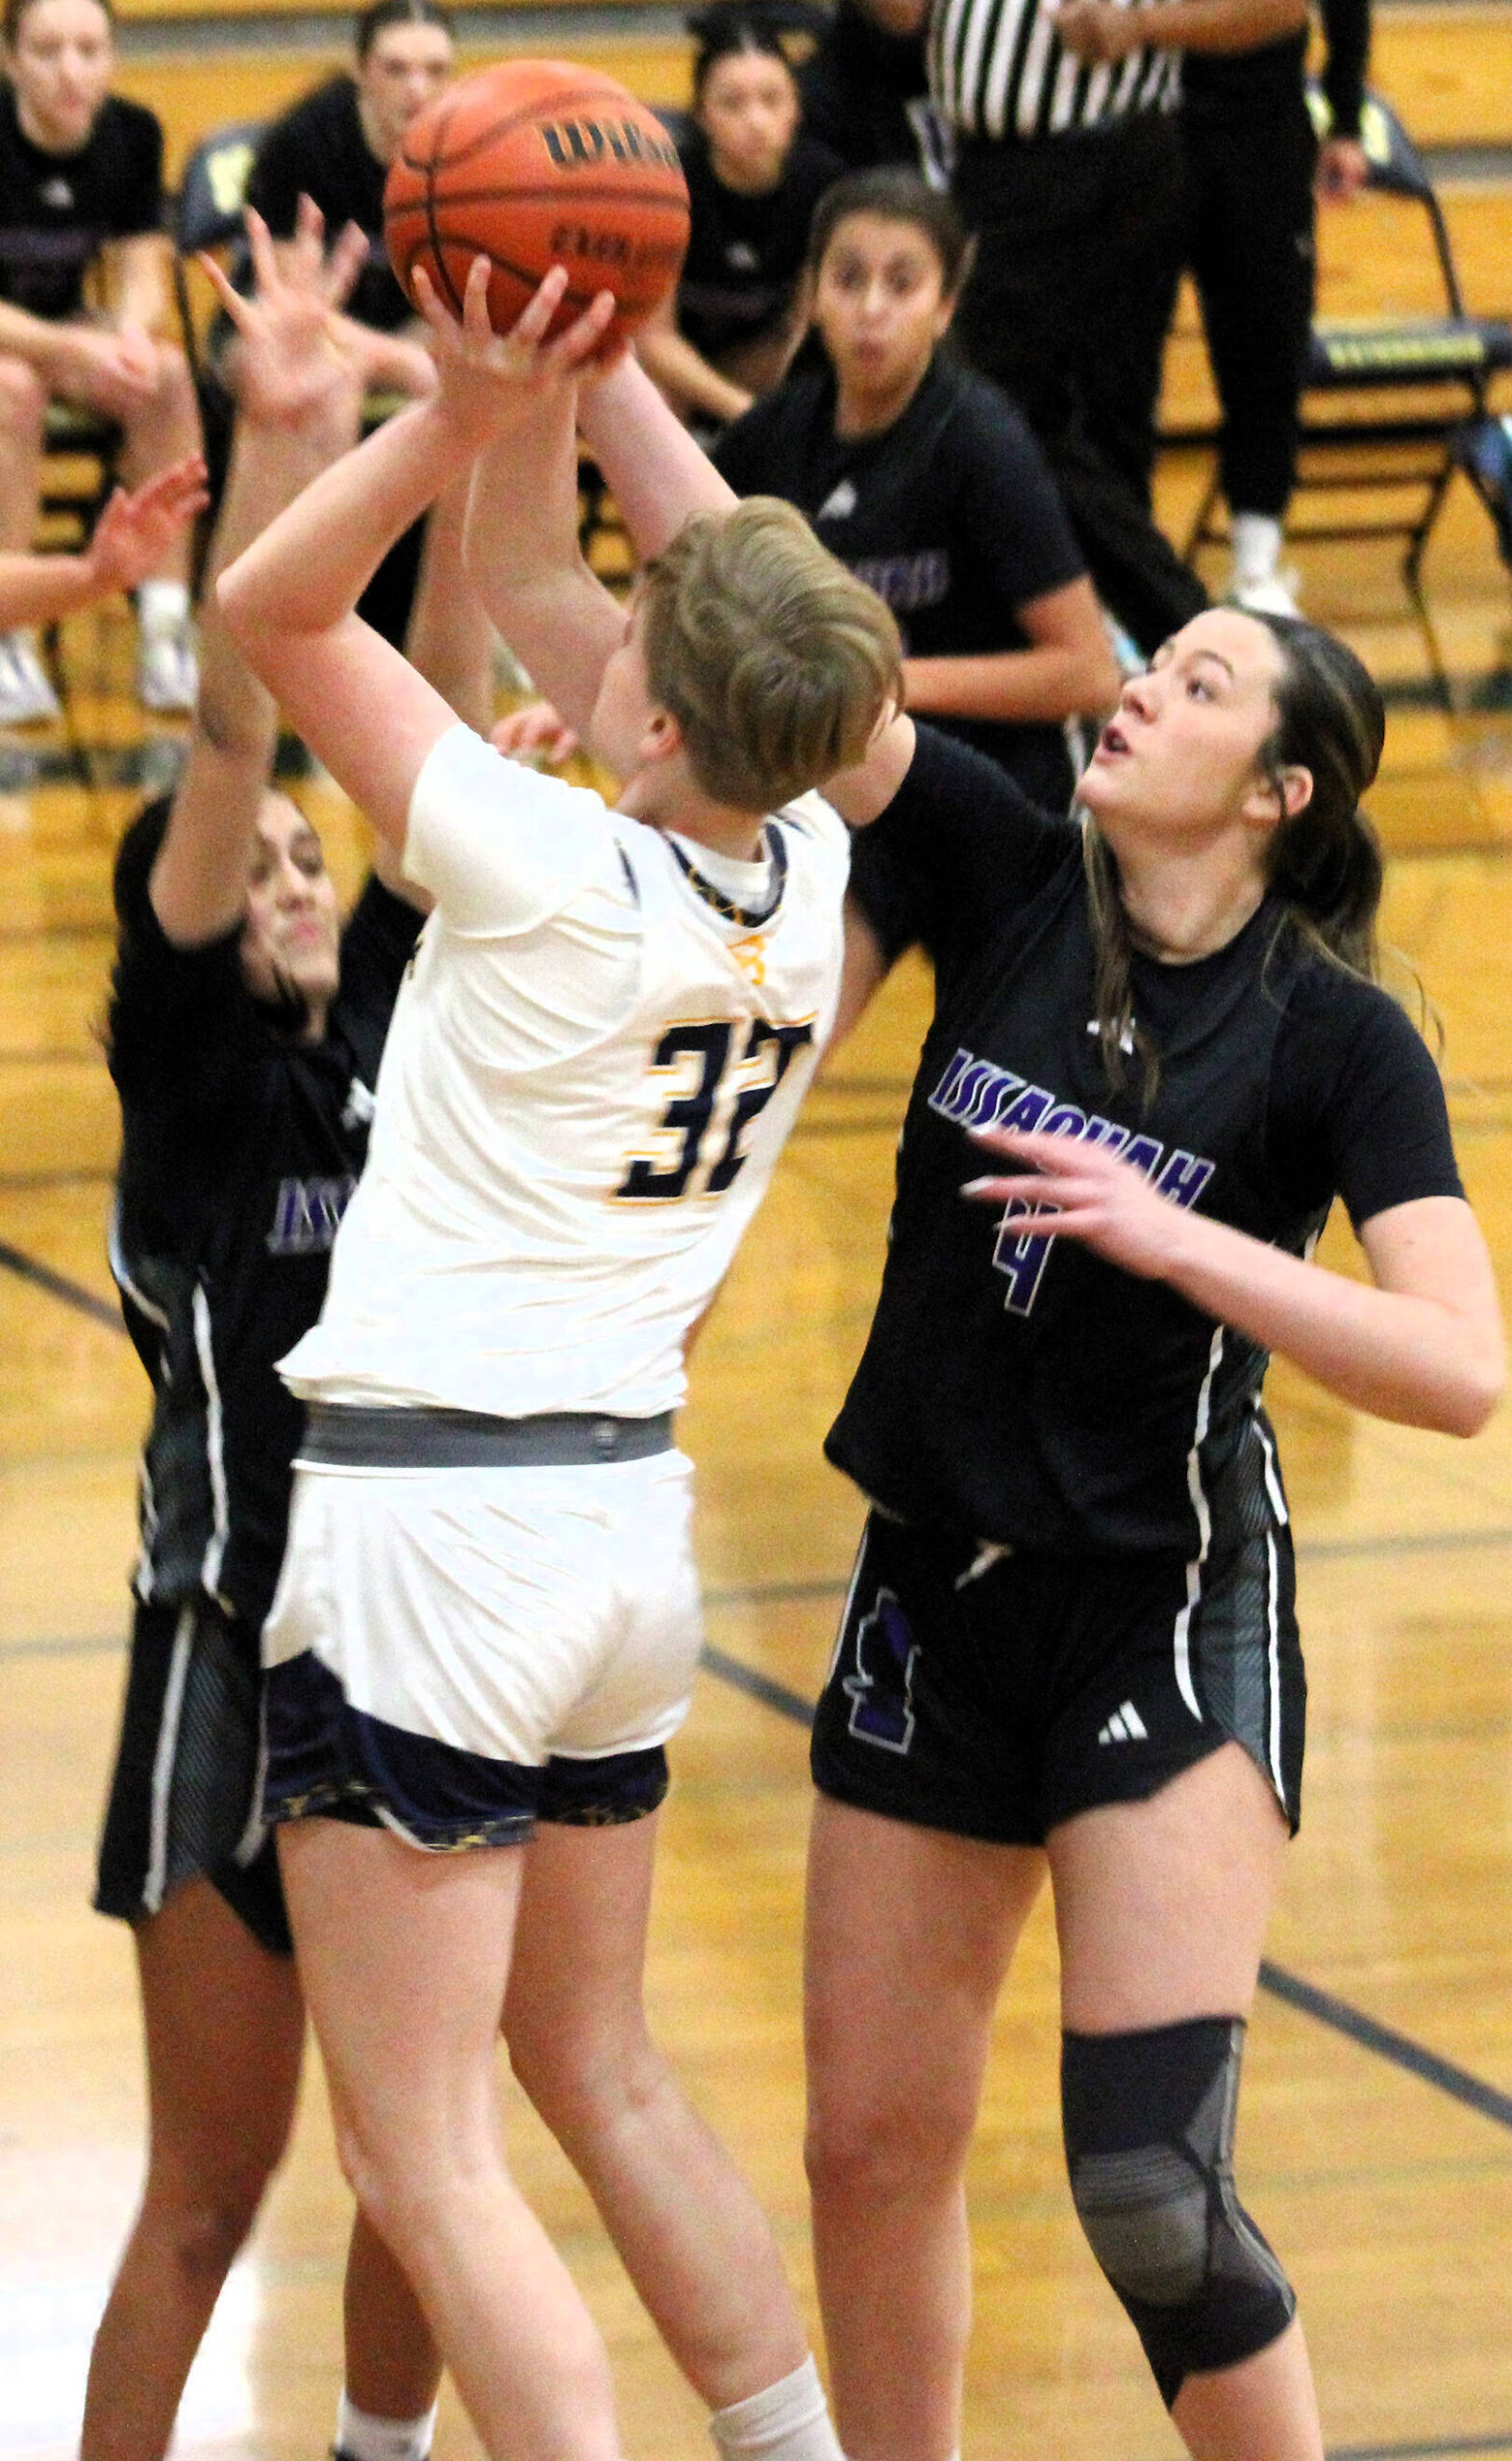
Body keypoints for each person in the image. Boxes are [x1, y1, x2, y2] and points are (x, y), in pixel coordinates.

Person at [214, 248, 901, 2461]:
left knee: (423, 2148)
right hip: (619, 1535)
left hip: (439, 1533)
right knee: (594, 2071)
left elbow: (271, 609)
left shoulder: (531, 860)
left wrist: (458, 394)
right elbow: (588, 579)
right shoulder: (802, 869)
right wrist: (582, 386)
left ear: (650, 714)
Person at [800, 606, 1503, 2459]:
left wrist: (1179, 1235)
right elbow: (789, 655)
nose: (1134, 691)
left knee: (1147, 2191)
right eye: (1150, 661)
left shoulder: (1333, 1039)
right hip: (929, 1597)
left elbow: (1456, 1371)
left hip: (1161, 1612)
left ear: (1276, 794)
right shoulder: (1000, 864)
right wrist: (575, 371)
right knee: (867, 2146)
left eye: (1194, 684)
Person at [86, 203, 470, 2461]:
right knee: (209, 2190)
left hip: (421, 1634)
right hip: (225, 1644)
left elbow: (391, 707)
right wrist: (277, 422)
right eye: (270, 876)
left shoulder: (412, 1038)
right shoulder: (195, 1076)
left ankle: (374, 2451)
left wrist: (469, 418)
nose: (303, 876)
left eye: (331, 865)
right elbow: (243, 714)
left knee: (419, 2159)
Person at [845, 0, 1311, 656]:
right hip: (984, 164)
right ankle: (1151, 637)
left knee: (991, 400)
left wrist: (1145, 23)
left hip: (1091, 156)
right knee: (1047, 419)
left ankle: (1173, 633)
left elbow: (1280, 7)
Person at [713, 166, 1118, 807]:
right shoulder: (774, 434)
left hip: (995, 791)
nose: (871, 308)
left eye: (901, 284)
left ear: (944, 305)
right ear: (812, 294)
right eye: (848, 280)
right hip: (842, 785)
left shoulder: (981, 443)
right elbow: (673, 580)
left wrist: (882, 683)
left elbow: (1089, 674)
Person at [0, 0, 205, 720]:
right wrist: (67, 345)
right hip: (17, 350)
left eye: (89, 49)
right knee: (11, 389)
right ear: (11, 59)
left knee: (166, 377)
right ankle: (8, 633)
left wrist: (129, 333)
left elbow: (144, 261)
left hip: (61, 331)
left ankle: (167, 626)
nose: (71, 71)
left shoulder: (131, 132)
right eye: (49, 51)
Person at [238, 0, 456, 651]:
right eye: (395, 69)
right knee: (327, 394)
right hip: (284, 341)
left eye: (434, 70)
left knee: (495, 393)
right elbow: (292, 319)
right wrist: (401, 360)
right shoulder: (304, 143)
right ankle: (321, 618)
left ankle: (470, 608)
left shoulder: (470, 154)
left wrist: (413, 355)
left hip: (398, 338)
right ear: (362, 72)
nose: (415, 89)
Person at [1167, 0, 1373, 612]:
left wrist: (1345, 120)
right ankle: (1111, 582)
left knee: (1267, 349)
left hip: (1265, 129)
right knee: (1121, 357)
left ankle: (1255, 566)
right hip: (1155, 124)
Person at [637, 5, 844, 428]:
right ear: (702, 113)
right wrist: (746, 415)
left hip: (766, 362)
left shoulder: (824, 186)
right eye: (732, 103)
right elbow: (655, 340)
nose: (755, 121)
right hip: (683, 373)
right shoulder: (667, 187)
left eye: (772, 100)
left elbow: (805, 329)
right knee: (651, 391)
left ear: (796, 108)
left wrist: (780, 417)